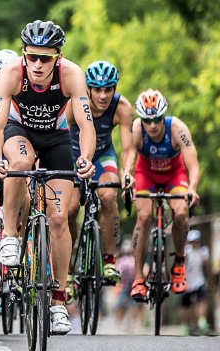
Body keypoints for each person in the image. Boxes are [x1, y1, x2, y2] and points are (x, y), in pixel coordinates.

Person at [0, 20, 95, 334]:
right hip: (19, 132)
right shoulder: (9, 74)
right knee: (19, 161)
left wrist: (85, 158)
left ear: (57, 58)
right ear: (23, 54)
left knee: (60, 218)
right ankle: (10, 234)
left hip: (57, 138)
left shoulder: (72, 75)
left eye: (45, 58)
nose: (37, 64)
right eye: (32, 57)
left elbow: (85, 127)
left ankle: (59, 302)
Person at [65, 60, 136, 299]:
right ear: (88, 89)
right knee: (71, 208)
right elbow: (58, 135)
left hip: (103, 155)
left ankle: (108, 260)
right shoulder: (74, 104)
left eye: (109, 89)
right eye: (98, 89)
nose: (104, 95)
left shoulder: (122, 107)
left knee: (108, 195)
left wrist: (126, 173)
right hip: (73, 155)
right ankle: (66, 269)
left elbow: (128, 149)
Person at [129, 88, 200, 301]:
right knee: (143, 217)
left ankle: (179, 261)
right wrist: (127, 176)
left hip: (174, 175)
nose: (152, 125)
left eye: (157, 119)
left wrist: (192, 188)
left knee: (179, 213)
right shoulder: (136, 129)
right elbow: (130, 157)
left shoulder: (178, 128)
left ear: (164, 116)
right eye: (146, 120)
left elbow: (193, 164)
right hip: (146, 174)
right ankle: (138, 278)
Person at [180, 229, 210, 335]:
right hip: (187, 282)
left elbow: (207, 267)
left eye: (196, 241)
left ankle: (202, 321)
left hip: (199, 281)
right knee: (186, 305)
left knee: (202, 300)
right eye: (192, 241)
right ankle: (186, 325)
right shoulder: (186, 251)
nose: (194, 243)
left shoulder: (203, 251)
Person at [114, 238, 145, 333]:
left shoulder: (120, 261)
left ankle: (119, 323)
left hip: (124, 286)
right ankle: (136, 323)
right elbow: (145, 271)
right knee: (136, 304)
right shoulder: (135, 260)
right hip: (134, 285)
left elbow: (117, 274)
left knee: (120, 305)